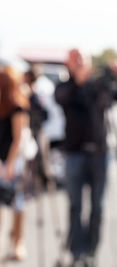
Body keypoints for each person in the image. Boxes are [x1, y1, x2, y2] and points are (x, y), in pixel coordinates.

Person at [55, 49, 117, 266]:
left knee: (98, 206)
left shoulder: (99, 85)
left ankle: (91, 250)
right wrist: (78, 81)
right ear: (68, 63)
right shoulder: (65, 86)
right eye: (74, 59)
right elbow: (62, 98)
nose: (78, 63)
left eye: (81, 58)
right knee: (75, 205)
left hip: (99, 153)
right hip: (74, 153)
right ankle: (76, 250)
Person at [0, 66, 30, 260]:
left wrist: (9, 164)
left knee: (17, 204)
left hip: (12, 161)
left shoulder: (17, 106)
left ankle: (17, 241)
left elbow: (18, 139)